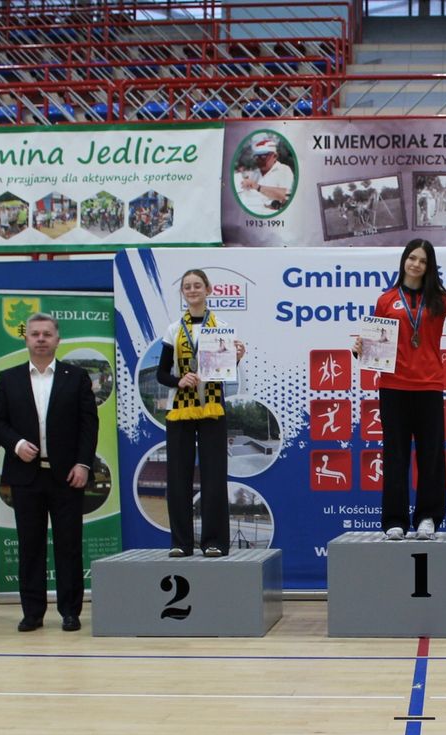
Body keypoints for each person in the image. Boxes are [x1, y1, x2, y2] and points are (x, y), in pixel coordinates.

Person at [355, 239, 446, 540]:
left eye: (423, 261)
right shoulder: (386, 300)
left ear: (429, 267)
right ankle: (395, 521)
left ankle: (428, 518)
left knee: (431, 456)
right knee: (395, 456)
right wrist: (359, 349)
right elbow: (376, 347)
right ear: (404, 260)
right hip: (393, 388)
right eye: (412, 258)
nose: (416, 264)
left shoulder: (438, 299)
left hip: (429, 387)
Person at [0, 313, 99, 633]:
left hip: (67, 476)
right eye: (35, 334)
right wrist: (16, 444)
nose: (40, 339)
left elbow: (88, 424)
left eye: (46, 334)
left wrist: (83, 464)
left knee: (69, 546)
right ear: (26, 339)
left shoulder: (76, 377)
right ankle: (32, 613)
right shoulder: (8, 378)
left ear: (57, 340)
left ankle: (70, 612)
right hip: (26, 476)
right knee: (30, 546)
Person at [154, 268, 246, 558]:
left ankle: (214, 541)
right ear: (183, 293)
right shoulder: (173, 329)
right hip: (180, 410)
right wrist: (179, 380)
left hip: (213, 408)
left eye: (197, 285)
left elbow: (224, 371)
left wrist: (236, 358)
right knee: (178, 476)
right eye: (187, 287)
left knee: (214, 476)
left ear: (208, 289)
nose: (192, 290)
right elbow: (161, 373)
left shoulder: (222, 327)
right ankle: (180, 542)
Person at [237, 136, 293, 213]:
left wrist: (257, 187)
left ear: (275, 156)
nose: (259, 160)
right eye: (257, 157)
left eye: (263, 156)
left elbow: (285, 196)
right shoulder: (255, 173)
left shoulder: (284, 170)